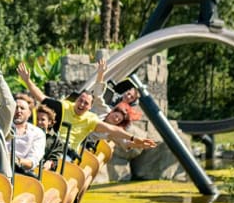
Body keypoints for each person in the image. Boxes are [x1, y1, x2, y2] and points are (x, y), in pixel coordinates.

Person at [16, 61, 156, 158]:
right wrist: (100, 73)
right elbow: (98, 91)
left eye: (120, 118)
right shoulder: (94, 108)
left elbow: (121, 138)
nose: (117, 118)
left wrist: (138, 141)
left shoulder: (94, 121)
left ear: (89, 107)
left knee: (76, 152)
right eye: (80, 101)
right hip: (55, 143)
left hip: (75, 149)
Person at [11, 93, 46, 175]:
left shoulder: (37, 133)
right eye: (16, 108)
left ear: (29, 113)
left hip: (22, 174)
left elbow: (32, 161)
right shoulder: (2, 127)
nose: (18, 111)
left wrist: (16, 160)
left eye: (22, 108)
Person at [36, 103, 65, 170]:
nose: (39, 122)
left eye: (43, 120)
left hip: (42, 170)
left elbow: (55, 157)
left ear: (50, 122)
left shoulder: (56, 139)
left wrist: (50, 162)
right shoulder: (29, 132)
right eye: (37, 119)